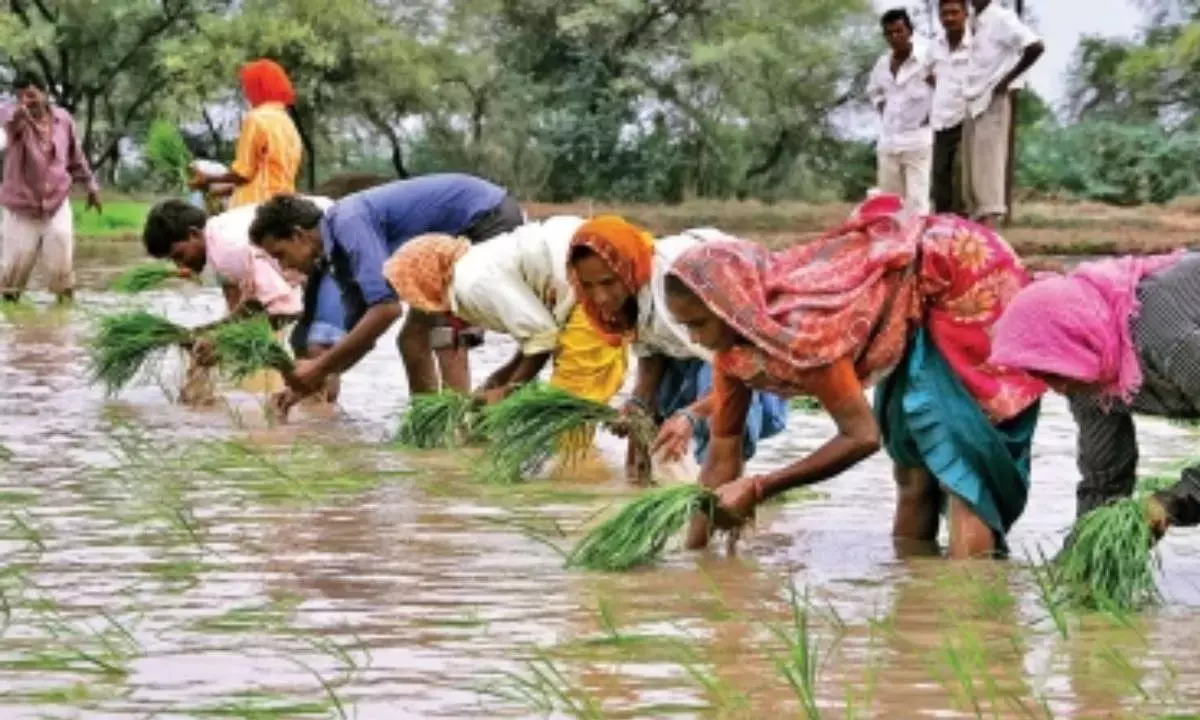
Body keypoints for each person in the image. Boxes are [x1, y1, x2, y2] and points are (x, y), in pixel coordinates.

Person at [662, 194, 1045, 560]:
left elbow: (862, 436)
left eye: (699, 323)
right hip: (912, 288)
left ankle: (969, 611)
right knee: (912, 470)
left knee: (962, 473)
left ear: (730, 304)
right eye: (685, 326)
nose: (695, 339)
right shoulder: (734, 350)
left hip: (965, 275)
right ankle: (916, 599)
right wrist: (696, 553)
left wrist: (762, 486)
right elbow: (722, 455)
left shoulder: (802, 333)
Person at [248, 174, 525, 411]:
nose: (284, 266)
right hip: (447, 244)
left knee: (444, 330)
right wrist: (310, 385)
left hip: (484, 219)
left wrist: (318, 369)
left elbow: (387, 309)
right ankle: (427, 423)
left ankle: (460, 424)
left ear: (298, 235)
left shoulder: (348, 222)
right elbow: (363, 335)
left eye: (280, 254)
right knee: (412, 338)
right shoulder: (339, 257)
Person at [989, 253, 1200, 536]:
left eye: (1055, 374)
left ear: (1075, 341)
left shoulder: (1165, 339)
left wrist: (1173, 503)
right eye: (1042, 376)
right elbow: (1104, 480)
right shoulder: (1087, 375)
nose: (1058, 388)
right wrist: (1084, 555)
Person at [565, 216, 788, 479]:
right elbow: (650, 355)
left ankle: (727, 492)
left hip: (738, 338)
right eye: (588, 285)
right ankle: (656, 484)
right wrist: (637, 405)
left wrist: (691, 417)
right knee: (656, 416)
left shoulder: (679, 287)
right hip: (694, 347)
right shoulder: (630, 297)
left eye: (608, 282)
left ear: (626, 266)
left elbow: (737, 376)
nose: (600, 297)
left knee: (720, 419)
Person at [382, 216, 628, 412]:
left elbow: (542, 336)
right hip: (599, 258)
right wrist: (499, 378)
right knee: (586, 399)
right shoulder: (477, 263)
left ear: (424, 280)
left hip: (586, 279)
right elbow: (535, 332)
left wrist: (508, 391)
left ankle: (584, 471)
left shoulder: (470, 284)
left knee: (567, 408)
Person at [141, 198, 347, 401]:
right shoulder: (219, 239)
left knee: (318, 345)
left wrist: (223, 343)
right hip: (324, 247)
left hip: (336, 243)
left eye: (178, 255)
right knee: (303, 345)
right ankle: (316, 420)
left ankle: (322, 419)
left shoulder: (228, 249)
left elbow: (286, 309)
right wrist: (207, 332)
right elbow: (254, 304)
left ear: (194, 234)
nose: (180, 267)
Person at [0, 72, 102, 303]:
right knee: (12, 275)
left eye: (32, 95)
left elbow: (75, 156)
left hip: (56, 202)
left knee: (62, 266)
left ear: (44, 93)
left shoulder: (63, 119)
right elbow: (9, 124)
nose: (28, 101)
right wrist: (20, 111)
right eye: (21, 97)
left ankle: (63, 320)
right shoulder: (11, 115)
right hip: (21, 208)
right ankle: (10, 322)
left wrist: (91, 187)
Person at [963, 0, 1044, 226]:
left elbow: (1035, 46)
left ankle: (990, 243)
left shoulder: (1002, 18)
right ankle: (978, 247)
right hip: (973, 102)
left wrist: (1006, 81)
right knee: (974, 181)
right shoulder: (974, 21)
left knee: (989, 178)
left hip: (992, 101)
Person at [189, 59, 303, 209]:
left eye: (246, 86)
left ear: (257, 86)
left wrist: (207, 179)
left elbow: (243, 173)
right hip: (284, 205)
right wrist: (221, 191)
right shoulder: (287, 122)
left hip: (254, 208)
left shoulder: (256, 119)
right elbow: (267, 176)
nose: (245, 92)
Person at [867, 9, 934, 215]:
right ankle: (895, 246)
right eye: (889, 33)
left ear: (909, 31)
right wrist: (884, 110)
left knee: (917, 201)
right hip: (889, 142)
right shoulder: (882, 64)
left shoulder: (927, 59)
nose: (895, 37)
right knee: (889, 204)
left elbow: (945, 89)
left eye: (899, 31)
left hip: (918, 141)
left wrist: (931, 115)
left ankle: (916, 245)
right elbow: (873, 91)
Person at [930, 0, 972, 215]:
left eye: (955, 13)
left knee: (963, 182)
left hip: (967, 120)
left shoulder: (976, 44)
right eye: (945, 14)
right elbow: (928, 76)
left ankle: (966, 233)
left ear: (965, 14)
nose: (949, 18)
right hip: (940, 121)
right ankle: (941, 233)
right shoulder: (935, 45)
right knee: (940, 181)